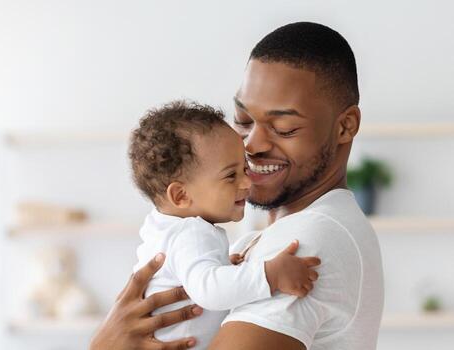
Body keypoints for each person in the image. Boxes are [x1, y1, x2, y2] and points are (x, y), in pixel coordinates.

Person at [91, 21, 384, 350]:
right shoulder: (250, 242)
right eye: (243, 121)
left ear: (345, 126)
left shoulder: (307, 242)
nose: (252, 144)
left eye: (284, 127)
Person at [127, 100, 321, 349]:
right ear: (181, 196)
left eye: (244, 169)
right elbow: (209, 290)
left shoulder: (162, 228)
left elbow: (190, 277)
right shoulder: (191, 233)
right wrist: (270, 275)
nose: (246, 183)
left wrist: (223, 266)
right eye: (231, 175)